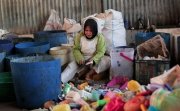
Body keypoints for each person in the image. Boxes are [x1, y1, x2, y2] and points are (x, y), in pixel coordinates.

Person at [61, 18, 110, 83]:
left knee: (107, 60)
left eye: (90, 31)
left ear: (95, 30)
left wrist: (94, 60)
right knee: (71, 66)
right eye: (86, 30)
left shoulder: (100, 37)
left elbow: (101, 51)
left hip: (94, 59)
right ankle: (59, 81)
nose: (88, 33)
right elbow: (76, 49)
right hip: (82, 59)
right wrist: (79, 58)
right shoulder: (79, 36)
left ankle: (89, 73)